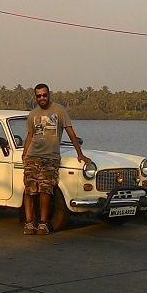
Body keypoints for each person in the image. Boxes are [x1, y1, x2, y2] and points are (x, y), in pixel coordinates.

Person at [21, 83, 91, 235]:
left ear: (49, 94)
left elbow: (70, 131)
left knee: (46, 190)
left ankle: (43, 224)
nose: (42, 98)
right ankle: (29, 223)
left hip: (50, 157)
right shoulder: (33, 114)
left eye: (44, 95)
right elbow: (30, 136)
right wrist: (24, 154)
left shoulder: (59, 110)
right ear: (35, 97)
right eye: (39, 96)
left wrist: (80, 153)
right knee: (30, 190)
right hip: (33, 156)